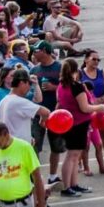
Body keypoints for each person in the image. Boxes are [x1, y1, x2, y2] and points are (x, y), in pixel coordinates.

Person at [56, 58, 104, 197]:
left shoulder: (61, 86)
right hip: (78, 124)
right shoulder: (76, 86)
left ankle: (73, 184)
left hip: (70, 123)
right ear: (76, 71)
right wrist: (99, 107)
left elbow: (60, 103)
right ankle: (67, 187)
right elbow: (85, 108)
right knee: (72, 156)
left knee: (74, 156)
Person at [30, 44, 65, 185]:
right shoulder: (34, 69)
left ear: (45, 51)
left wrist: (53, 87)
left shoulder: (59, 67)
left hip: (55, 112)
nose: (33, 53)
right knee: (34, 146)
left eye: (36, 50)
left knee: (56, 146)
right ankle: (36, 178)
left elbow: (67, 87)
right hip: (37, 113)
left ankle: (53, 175)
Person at [79, 50, 104, 172]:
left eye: (98, 60)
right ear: (86, 60)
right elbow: (76, 90)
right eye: (94, 59)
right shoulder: (80, 74)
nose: (96, 62)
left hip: (102, 109)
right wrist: (90, 101)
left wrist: (101, 99)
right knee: (84, 140)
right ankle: (81, 164)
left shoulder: (102, 73)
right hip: (86, 111)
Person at [0, 69, 48, 142]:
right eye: (29, 83)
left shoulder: (4, 101)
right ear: (22, 83)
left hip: (8, 143)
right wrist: (42, 122)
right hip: (19, 145)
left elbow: (38, 100)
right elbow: (46, 112)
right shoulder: (19, 102)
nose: (29, 87)